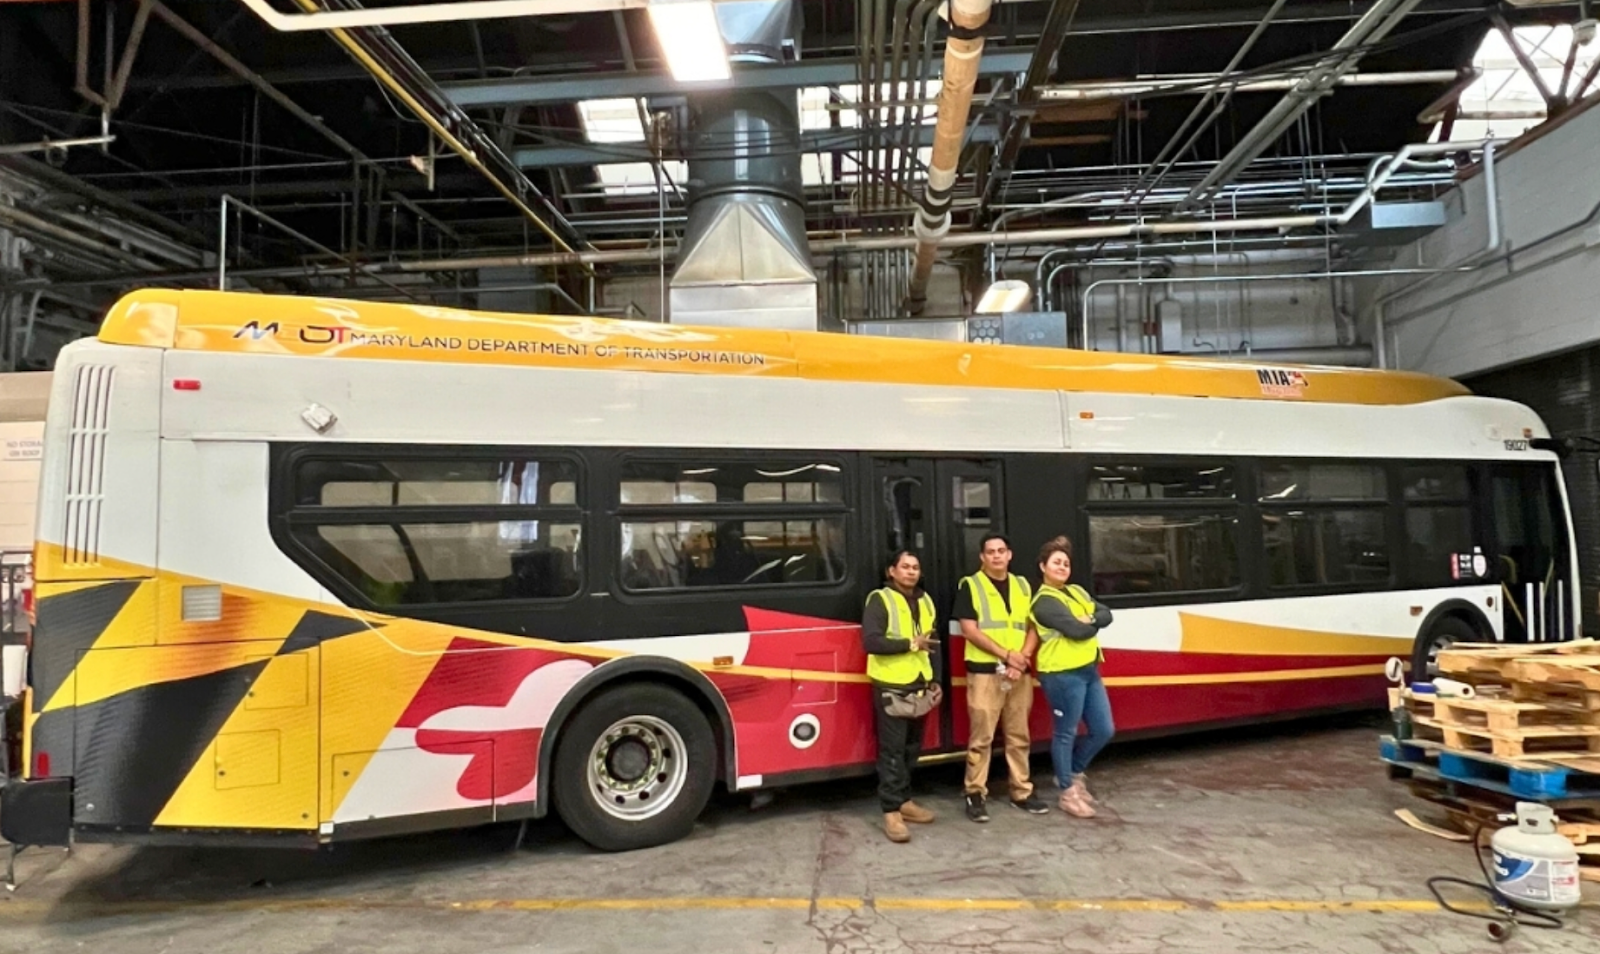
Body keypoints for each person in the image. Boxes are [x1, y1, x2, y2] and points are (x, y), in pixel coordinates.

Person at [954, 532, 1049, 821]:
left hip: (1019, 673)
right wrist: (1007, 655)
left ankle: (1021, 791)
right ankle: (974, 794)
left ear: (1010, 555)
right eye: (990, 552)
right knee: (981, 737)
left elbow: (1035, 626)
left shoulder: (1023, 585)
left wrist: (1021, 660)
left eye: (1001, 550)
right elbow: (969, 629)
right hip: (985, 673)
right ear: (982, 557)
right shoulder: (970, 585)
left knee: (1019, 735)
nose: (996, 556)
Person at [1030, 535, 1115, 818]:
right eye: (1056, 562)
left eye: (1066, 563)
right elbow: (1078, 631)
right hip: (1062, 674)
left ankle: (1074, 773)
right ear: (1043, 566)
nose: (1062, 567)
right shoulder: (1043, 602)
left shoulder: (1077, 591)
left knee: (1104, 729)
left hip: (1089, 670)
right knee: (1065, 732)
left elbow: (1106, 614)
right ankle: (1067, 792)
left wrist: (1088, 620)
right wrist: (1089, 622)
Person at [862, 549, 941, 843]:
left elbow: (933, 644)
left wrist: (936, 680)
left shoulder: (926, 600)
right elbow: (871, 641)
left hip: (919, 684)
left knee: (911, 749)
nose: (911, 572)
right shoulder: (879, 600)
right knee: (892, 752)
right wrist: (910, 643)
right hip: (891, 685)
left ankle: (905, 801)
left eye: (915, 567)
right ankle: (891, 811)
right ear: (891, 572)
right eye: (905, 567)